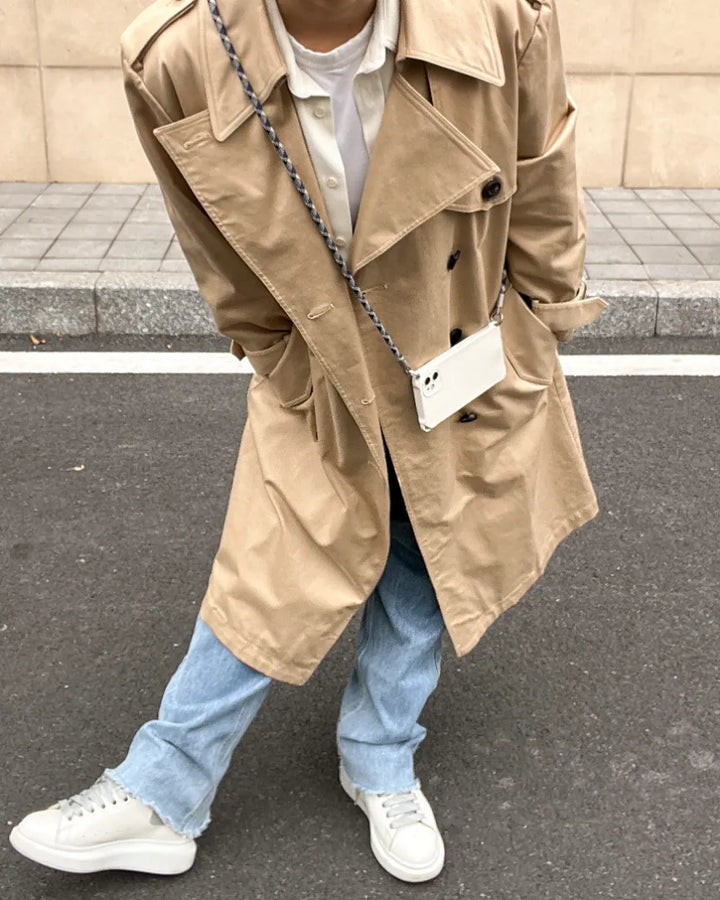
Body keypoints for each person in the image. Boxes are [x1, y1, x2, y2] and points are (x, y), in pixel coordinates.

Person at [9, 0, 608, 885]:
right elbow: (214, 247)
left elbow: (543, 174)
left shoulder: (497, 15)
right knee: (275, 554)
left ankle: (380, 757)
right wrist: (282, 364)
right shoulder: (174, 54)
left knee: (427, 553)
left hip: (460, 337)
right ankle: (164, 787)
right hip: (322, 356)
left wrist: (539, 328)